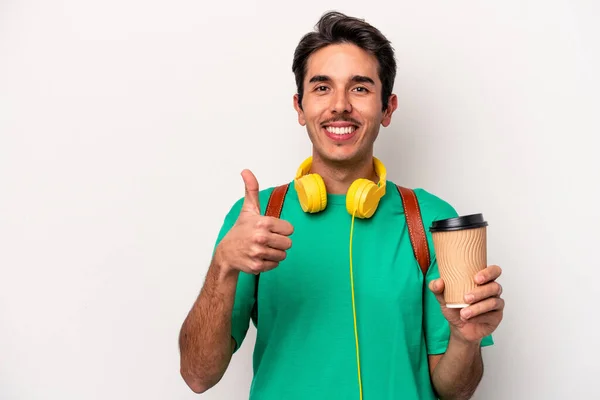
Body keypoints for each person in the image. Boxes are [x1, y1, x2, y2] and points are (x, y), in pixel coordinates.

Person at [178, 11, 504, 400]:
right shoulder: (257, 220)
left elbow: (456, 391)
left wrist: (464, 340)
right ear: (300, 107)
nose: (340, 106)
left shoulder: (431, 219)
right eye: (322, 88)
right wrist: (223, 265)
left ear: (387, 108)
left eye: (360, 88)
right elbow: (198, 376)